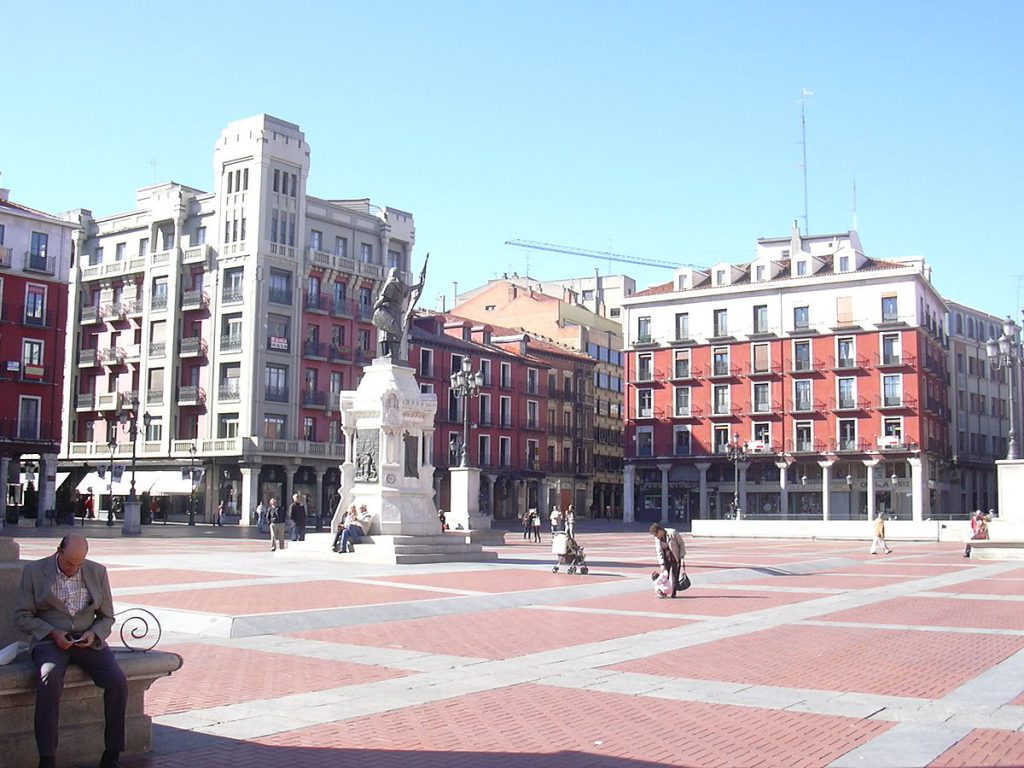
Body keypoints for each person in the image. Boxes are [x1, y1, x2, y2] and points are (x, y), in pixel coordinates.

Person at [13, 534, 127, 768]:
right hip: (50, 641)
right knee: (49, 676)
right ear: (58, 551)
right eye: (68, 563)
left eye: (79, 564)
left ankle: (112, 753)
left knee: (117, 681)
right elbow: (22, 616)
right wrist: (52, 632)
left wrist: (94, 635)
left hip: (87, 640)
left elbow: (107, 617)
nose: (73, 569)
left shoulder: (97, 572)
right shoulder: (34, 572)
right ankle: (47, 758)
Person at [650, 522, 686, 598]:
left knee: (674, 576)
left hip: (675, 557)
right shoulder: (658, 539)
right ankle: (663, 592)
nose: (656, 536)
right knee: (664, 576)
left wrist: (682, 555)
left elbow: (681, 543)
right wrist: (662, 564)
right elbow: (659, 551)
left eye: (656, 534)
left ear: (660, 531)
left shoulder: (672, 533)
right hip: (666, 559)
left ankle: (673, 593)